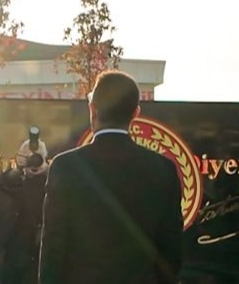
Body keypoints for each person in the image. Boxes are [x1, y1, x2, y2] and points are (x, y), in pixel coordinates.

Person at [38, 70, 183, 284]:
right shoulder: (164, 169)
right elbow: (171, 251)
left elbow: (53, 248)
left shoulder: (65, 167)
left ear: (92, 109)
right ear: (136, 113)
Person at [0, 132, 49, 284]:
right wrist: (21, 169)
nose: (34, 161)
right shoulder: (17, 179)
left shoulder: (51, 178)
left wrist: (45, 172)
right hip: (18, 244)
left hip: (43, 242)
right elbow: (6, 185)